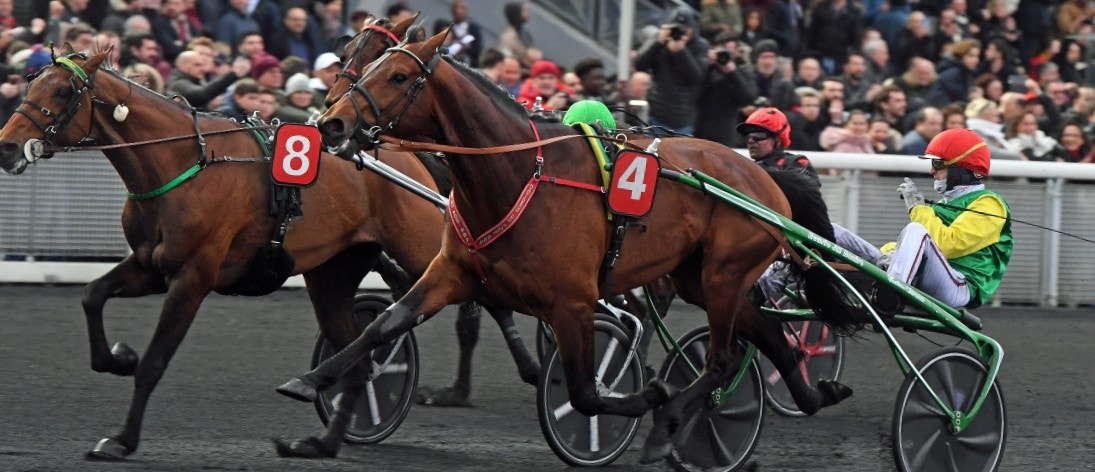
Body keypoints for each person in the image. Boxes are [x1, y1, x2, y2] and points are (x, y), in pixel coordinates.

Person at [736, 107, 881, 266]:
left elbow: (808, 191)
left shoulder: (797, 162)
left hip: (799, 233)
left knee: (836, 231)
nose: (751, 140)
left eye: (758, 135)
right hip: (763, 234)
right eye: (748, 136)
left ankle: (883, 262)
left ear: (778, 138)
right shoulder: (745, 171)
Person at [886, 128, 1012, 309]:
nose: (931, 170)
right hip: (936, 278)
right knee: (841, 235)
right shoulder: (945, 204)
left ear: (961, 169)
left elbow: (947, 245)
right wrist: (890, 252)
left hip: (960, 286)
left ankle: (891, 294)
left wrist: (917, 208)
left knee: (914, 230)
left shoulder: (990, 204)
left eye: (938, 164)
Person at [633, 6, 710, 136]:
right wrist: (657, 42)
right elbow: (639, 64)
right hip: (656, 115)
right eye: (676, 28)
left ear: (692, 29)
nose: (680, 33)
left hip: (683, 119)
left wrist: (681, 52)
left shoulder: (700, 46)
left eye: (684, 29)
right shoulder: (659, 39)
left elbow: (697, 77)